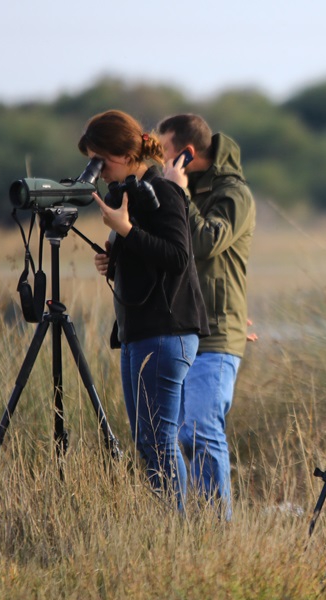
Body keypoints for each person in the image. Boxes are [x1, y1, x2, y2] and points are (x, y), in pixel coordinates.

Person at [83, 109, 207, 512]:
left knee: (158, 443)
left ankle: (177, 535)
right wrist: (114, 259)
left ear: (123, 153)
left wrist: (126, 231)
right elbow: (146, 258)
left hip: (166, 332)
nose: (98, 171)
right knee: (150, 443)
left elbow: (177, 256)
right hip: (140, 331)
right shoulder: (129, 194)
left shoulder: (163, 192)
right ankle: (177, 529)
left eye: (101, 159)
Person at [157, 114, 256, 520]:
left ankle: (216, 530)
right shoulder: (177, 189)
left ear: (186, 153)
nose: (159, 161)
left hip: (217, 332)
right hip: (178, 327)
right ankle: (187, 527)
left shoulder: (233, 194)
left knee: (198, 428)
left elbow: (206, 242)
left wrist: (176, 194)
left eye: (164, 153)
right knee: (173, 436)